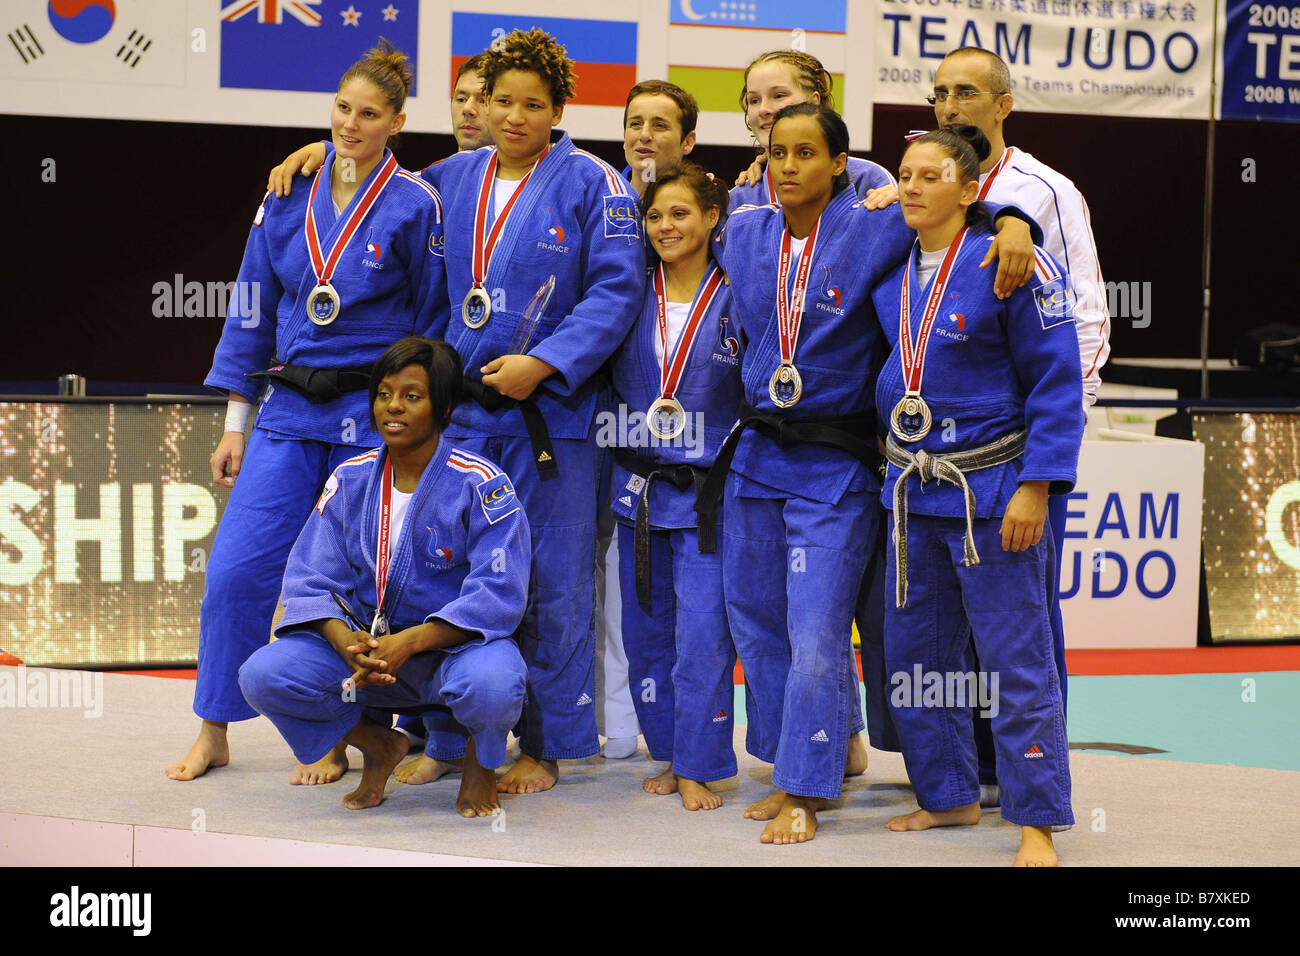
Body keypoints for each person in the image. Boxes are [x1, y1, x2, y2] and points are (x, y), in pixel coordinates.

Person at [700, 103, 1040, 844]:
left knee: (817, 629)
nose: (789, 166)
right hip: (756, 458)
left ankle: (806, 788)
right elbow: (669, 221)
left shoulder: (874, 223)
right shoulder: (745, 229)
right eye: (777, 151)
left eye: (806, 154)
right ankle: (793, 760)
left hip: (837, 462)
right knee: (758, 626)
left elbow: (958, 210)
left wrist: (1018, 224)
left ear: (838, 166)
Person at [165, 41, 448, 784]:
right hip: (288, 413)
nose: (351, 125)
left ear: (398, 121)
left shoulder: (417, 204)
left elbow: (429, 326)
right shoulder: (288, 193)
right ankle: (214, 726)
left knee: (353, 584)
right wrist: (235, 420)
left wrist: (414, 424)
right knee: (235, 572)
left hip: (368, 416)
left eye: (369, 114)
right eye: (341, 110)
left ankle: (334, 732)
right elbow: (251, 308)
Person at [865, 46, 1109, 803]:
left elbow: (1075, 337)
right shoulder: (897, 237)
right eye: (938, 93)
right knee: (921, 653)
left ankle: (1034, 798)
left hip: (1005, 473)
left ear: (1003, 103)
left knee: (1019, 641)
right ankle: (951, 793)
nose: (949, 104)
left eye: (966, 91)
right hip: (917, 482)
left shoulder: (1043, 200)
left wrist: (1044, 473)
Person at [238, 337, 530, 817]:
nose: (393, 407)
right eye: (383, 393)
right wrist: (343, 640)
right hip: (366, 654)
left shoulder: (481, 482)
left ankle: (480, 765)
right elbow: (310, 576)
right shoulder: (350, 478)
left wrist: (411, 642)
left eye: (412, 396)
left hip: (451, 652)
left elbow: (500, 591)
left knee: (495, 684)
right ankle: (377, 744)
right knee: (263, 675)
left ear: (446, 406)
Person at [607, 161, 740, 810]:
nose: (664, 226)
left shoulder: (741, 294)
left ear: (714, 218)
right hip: (638, 489)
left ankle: (701, 761)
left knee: (703, 638)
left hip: (710, 495)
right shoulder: (627, 290)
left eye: (680, 213)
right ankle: (668, 751)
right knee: (645, 637)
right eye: (655, 215)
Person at [728, 50, 894, 212]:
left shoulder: (868, 179)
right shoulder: (739, 199)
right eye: (754, 100)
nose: (763, 109)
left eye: (778, 96)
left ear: (813, 102)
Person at [622, 80, 699, 198]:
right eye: (636, 124)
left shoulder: (708, 203)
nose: (644, 135)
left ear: (688, 142)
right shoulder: (595, 200)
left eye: (659, 126)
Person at [450, 53, 494, 152]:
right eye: (461, 99)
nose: (467, 109)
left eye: (483, 101)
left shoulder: (534, 167)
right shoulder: (436, 168)